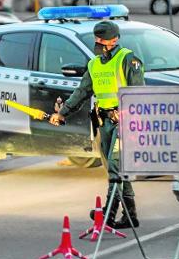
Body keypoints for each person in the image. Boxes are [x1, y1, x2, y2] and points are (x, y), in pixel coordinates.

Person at [49, 21, 145, 229]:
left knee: (115, 166)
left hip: (124, 123)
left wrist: (127, 113)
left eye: (102, 40)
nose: (98, 43)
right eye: (96, 40)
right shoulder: (94, 65)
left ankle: (108, 216)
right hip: (103, 122)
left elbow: (139, 93)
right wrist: (62, 113)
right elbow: (82, 92)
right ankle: (130, 216)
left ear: (114, 39)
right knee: (118, 169)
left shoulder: (127, 59)